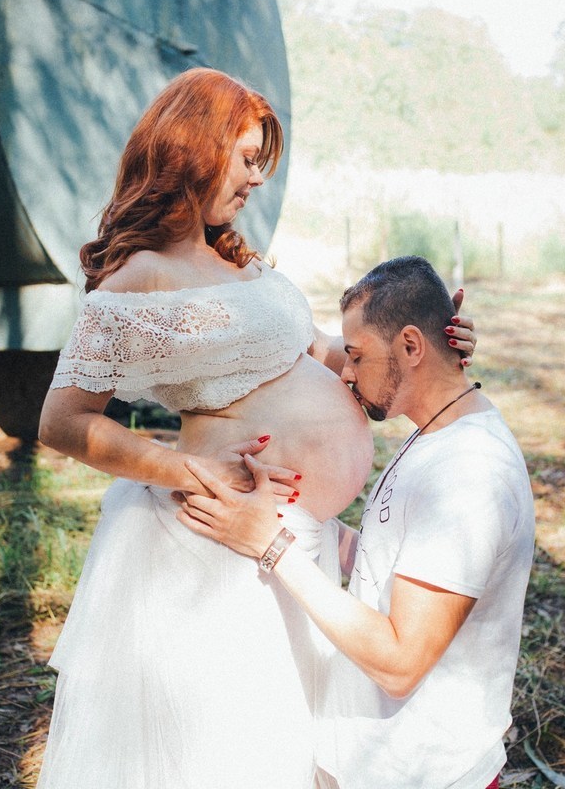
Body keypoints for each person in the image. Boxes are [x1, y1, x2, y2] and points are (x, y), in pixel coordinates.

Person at [34, 70, 476, 788]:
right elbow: (62, 422)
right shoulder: (143, 275)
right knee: (220, 756)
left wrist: (425, 348)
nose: (257, 178)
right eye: (245, 158)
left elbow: (329, 359)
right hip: (207, 548)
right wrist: (192, 469)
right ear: (194, 151)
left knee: (277, 744)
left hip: (283, 541)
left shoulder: (241, 263)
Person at [178, 256, 535, 789]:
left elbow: (399, 662)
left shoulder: (470, 474)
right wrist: (297, 520)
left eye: (357, 356)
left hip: (423, 775)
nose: (345, 372)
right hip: (373, 763)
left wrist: (272, 544)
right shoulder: (436, 434)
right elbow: (386, 562)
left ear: (411, 346)